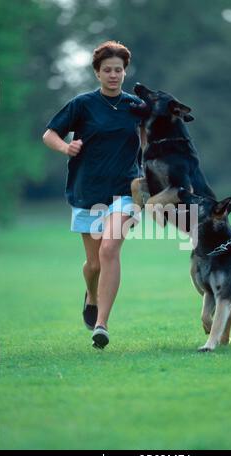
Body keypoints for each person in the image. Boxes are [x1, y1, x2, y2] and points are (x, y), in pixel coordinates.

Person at [43, 40, 145, 349]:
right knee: (95, 265)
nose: (113, 75)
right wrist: (66, 147)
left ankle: (102, 323)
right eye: (107, 70)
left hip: (126, 190)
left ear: (125, 72)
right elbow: (49, 134)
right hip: (88, 190)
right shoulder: (82, 104)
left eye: (118, 70)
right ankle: (90, 293)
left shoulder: (135, 107)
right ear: (97, 73)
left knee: (109, 249)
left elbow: (151, 138)